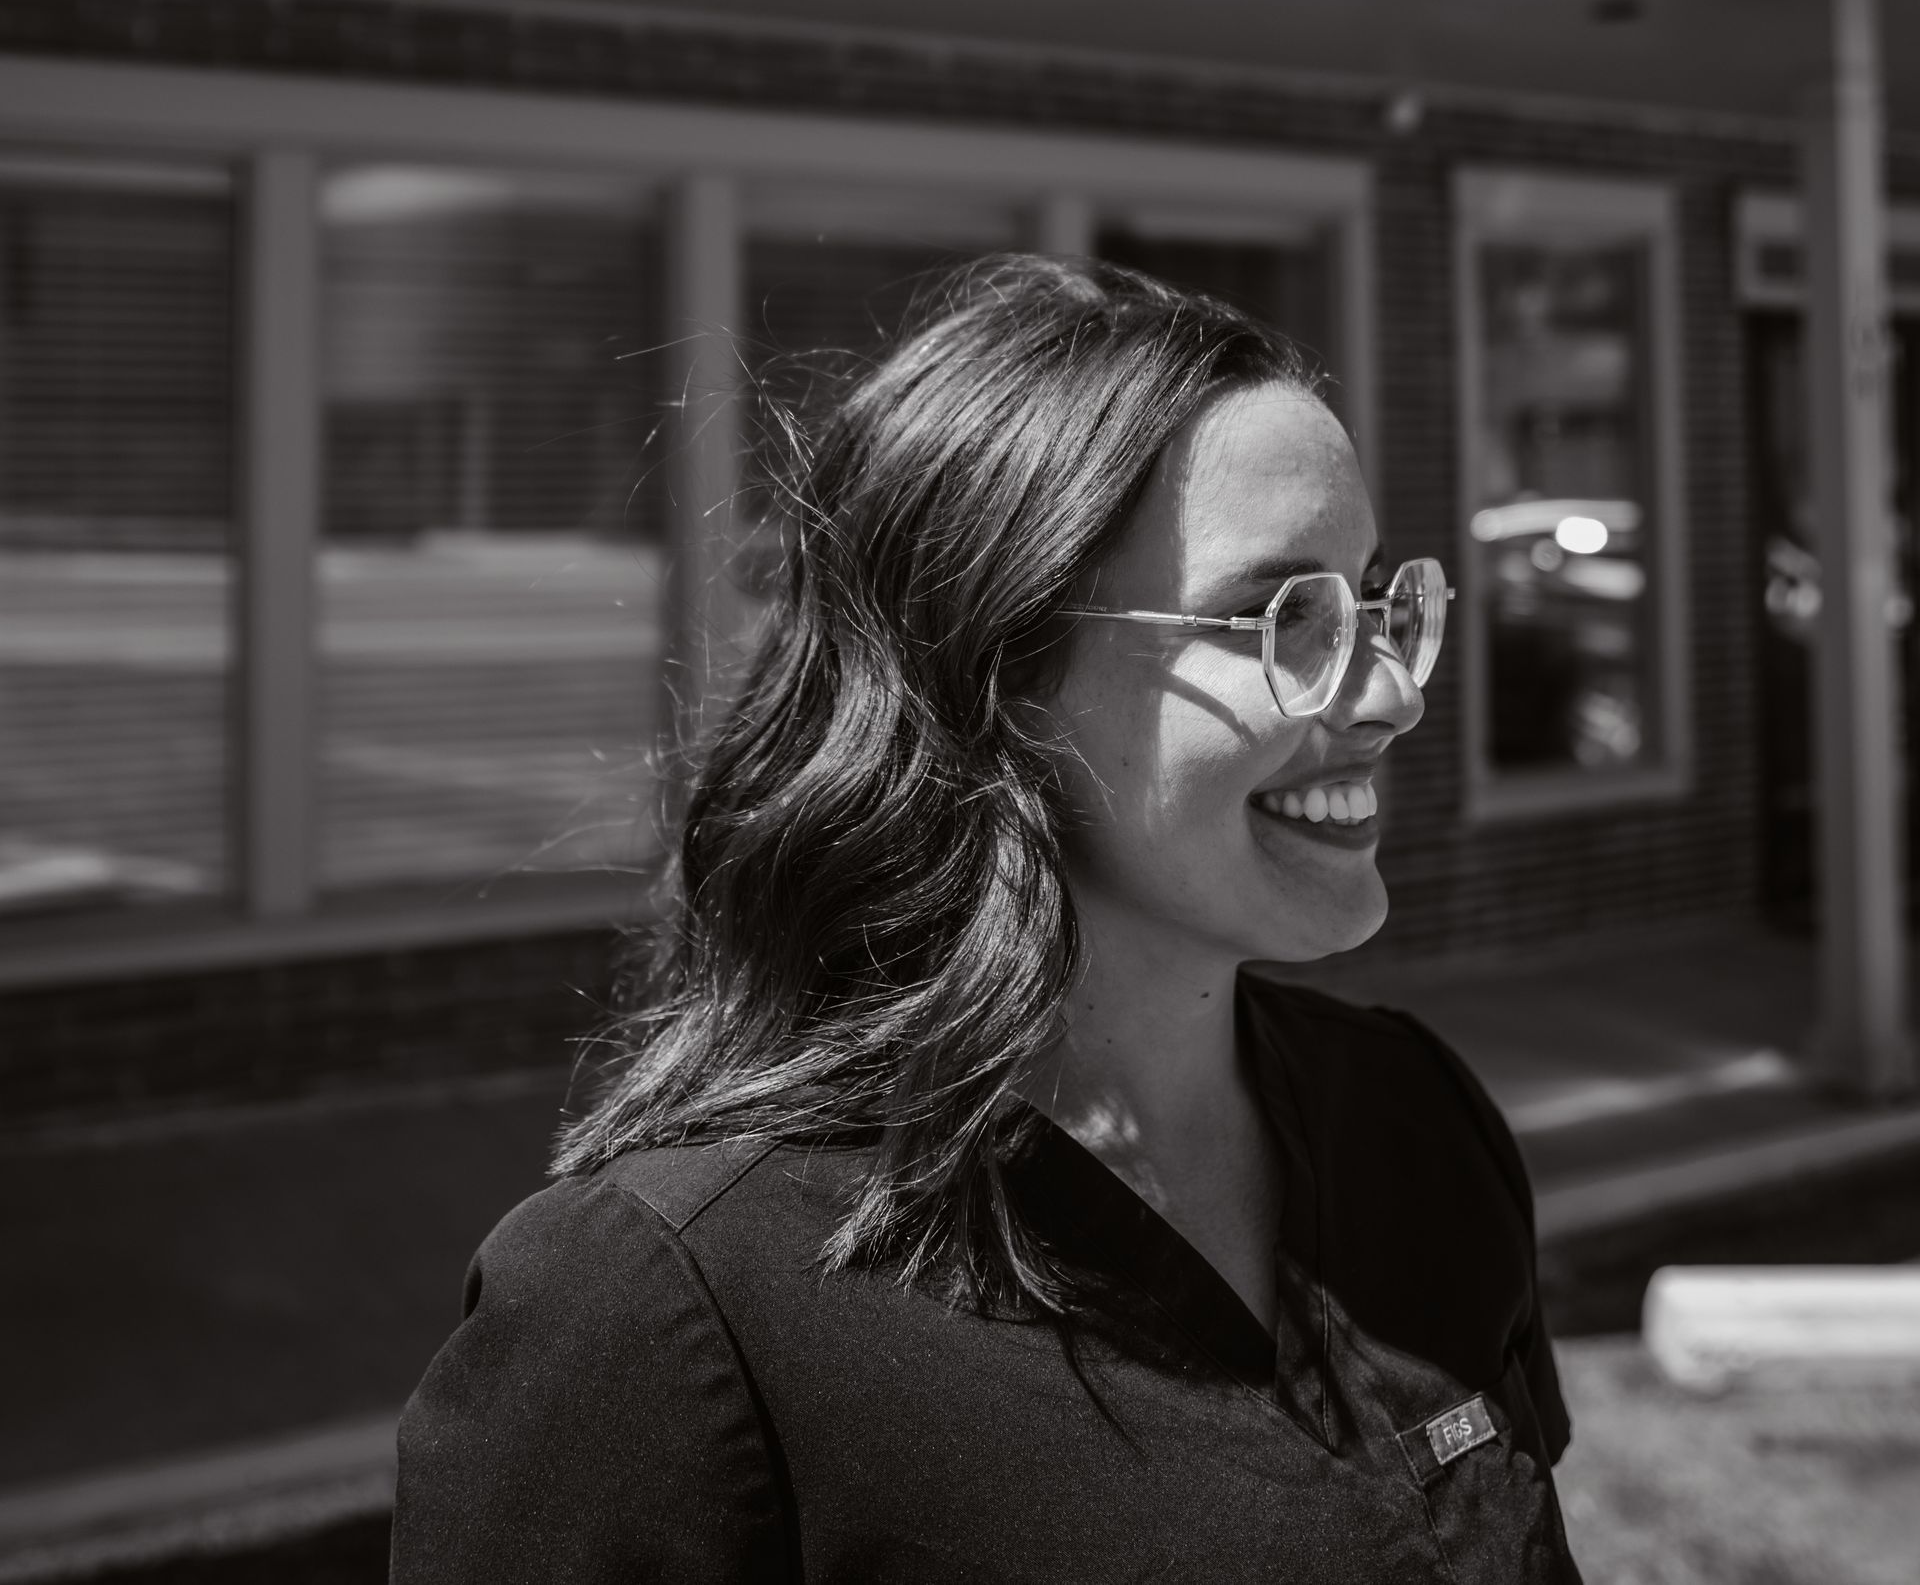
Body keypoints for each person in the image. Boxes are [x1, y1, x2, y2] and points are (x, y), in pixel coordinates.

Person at [392, 255, 1578, 1583]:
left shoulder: (1417, 1121)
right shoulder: (664, 1314)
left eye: (1373, 602)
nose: (1386, 697)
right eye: (1276, 615)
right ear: (1000, 676)